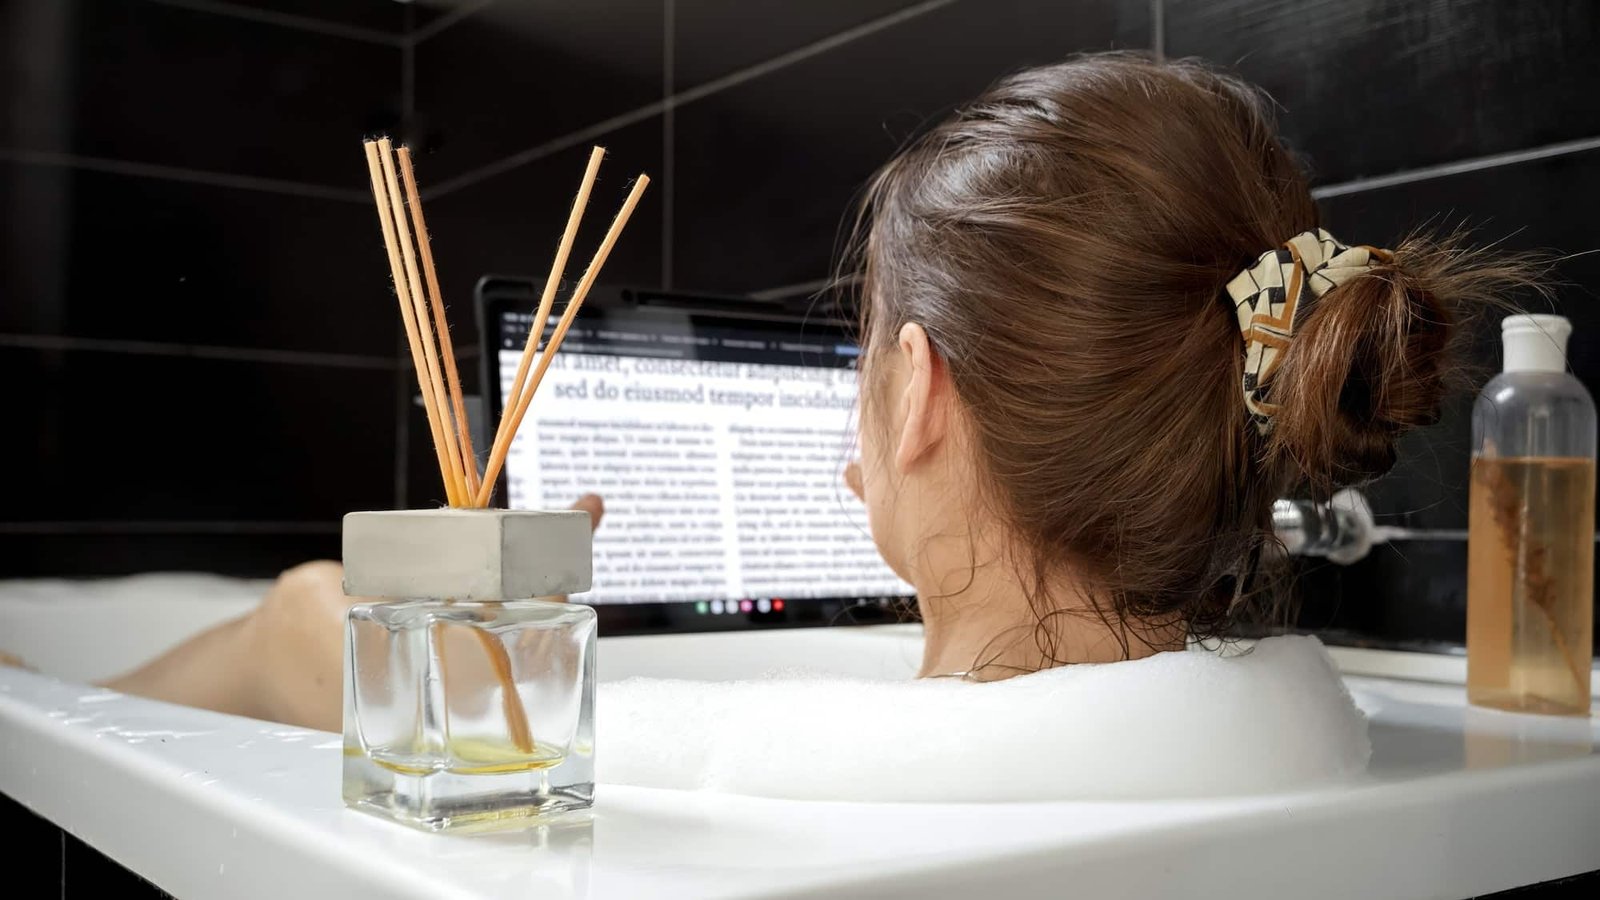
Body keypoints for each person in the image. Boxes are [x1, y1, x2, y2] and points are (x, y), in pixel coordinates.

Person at [39, 53, 1530, 734]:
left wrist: (396, 642)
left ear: (915, 392)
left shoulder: (783, 763)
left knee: (310, 608)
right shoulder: (1301, 718)